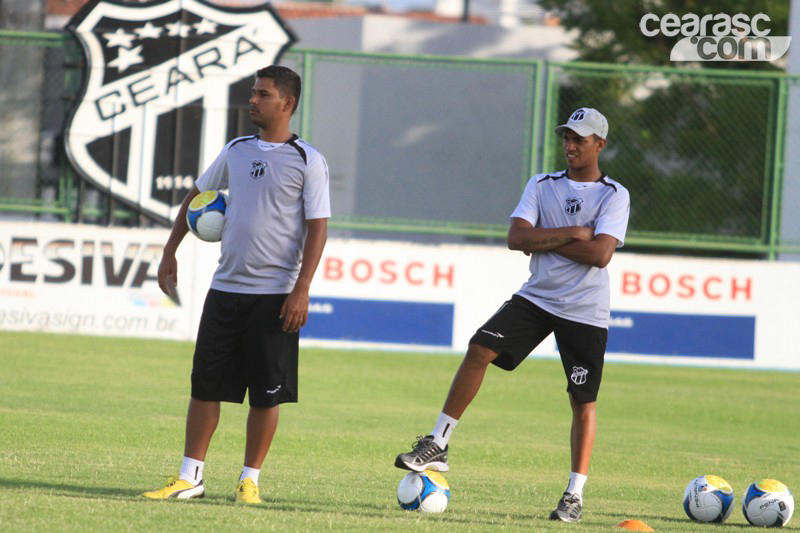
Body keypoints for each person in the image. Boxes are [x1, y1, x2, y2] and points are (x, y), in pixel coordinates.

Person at [394, 108, 629, 523]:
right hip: (537, 298)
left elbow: (601, 254)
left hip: (585, 311)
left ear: (600, 145)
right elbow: (516, 238)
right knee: (478, 348)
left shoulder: (614, 195)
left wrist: (545, 241)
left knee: (583, 402)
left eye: (580, 138)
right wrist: (574, 233)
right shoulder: (541, 184)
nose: (570, 145)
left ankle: (574, 494)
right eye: (567, 137)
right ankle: (439, 442)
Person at [143, 65, 330, 504]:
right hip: (225, 290)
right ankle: (190, 477)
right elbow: (196, 198)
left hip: (276, 296)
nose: (252, 100)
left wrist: (301, 289)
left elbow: (318, 228)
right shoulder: (236, 149)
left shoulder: (309, 160)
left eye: (262, 94)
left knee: (266, 396)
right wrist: (170, 251)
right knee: (205, 386)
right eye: (252, 93)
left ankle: (250, 481)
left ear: (286, 102)